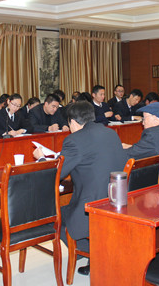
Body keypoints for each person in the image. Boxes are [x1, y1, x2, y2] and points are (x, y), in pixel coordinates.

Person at [33, 101, 127, 276]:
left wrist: (41, 159)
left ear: (73, 122)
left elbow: (57, 174)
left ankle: (92, 253)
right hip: (116, 199)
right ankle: (95, 251)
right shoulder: (110, 133)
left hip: (92, 206)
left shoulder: (74, 140)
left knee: (55, 216)